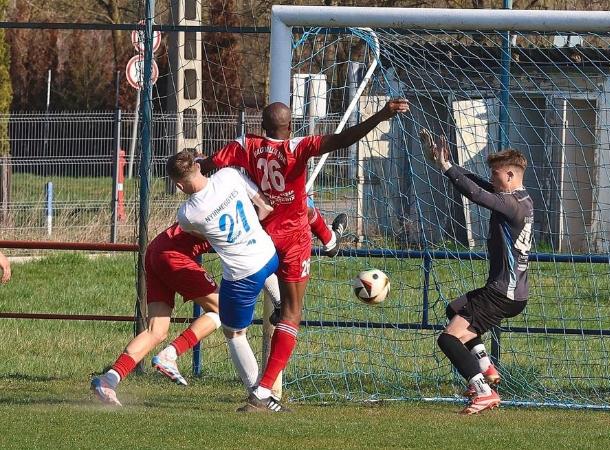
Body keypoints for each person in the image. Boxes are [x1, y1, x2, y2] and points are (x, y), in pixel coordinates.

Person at [199, 98, 409, 412]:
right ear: (290, 127)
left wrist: (196, 167)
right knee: (292, 313)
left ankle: (330, 241)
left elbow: (208, 166)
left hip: (260, 238)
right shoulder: (297, 147)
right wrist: (381, 115)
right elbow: (344, 139)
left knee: (242, 320)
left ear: (263, 126)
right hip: (294, 240)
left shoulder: (245, 144)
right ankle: (263, 391)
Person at [420, 129, 533, 415]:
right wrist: (447, 164)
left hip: (500, 295)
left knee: (448, 339)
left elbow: (474, 193)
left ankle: (483, 390)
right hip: (511, 293)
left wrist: (446, 168)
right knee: (454, 308)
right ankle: (485, 366)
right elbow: (479, 184)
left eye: (496, 174)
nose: (491, 178)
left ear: (510, 175)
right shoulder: (522, 199)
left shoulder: (509, 204)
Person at [168, 149, 286, 409]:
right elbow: (265, 205)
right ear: (199, 166)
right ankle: (281, 304)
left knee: (234, 333)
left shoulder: (187, 214)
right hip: (268, 255)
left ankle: (259, 395)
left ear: (179, 185)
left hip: (242, 275)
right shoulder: (230, 175)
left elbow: (203, 236)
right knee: (265, 273)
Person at [90, 223, 221, 406]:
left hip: (156, 250)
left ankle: (108, 380)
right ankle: (170, 355)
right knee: (225, 310)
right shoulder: (237, 209)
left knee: (156, 331)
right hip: (174, 255)